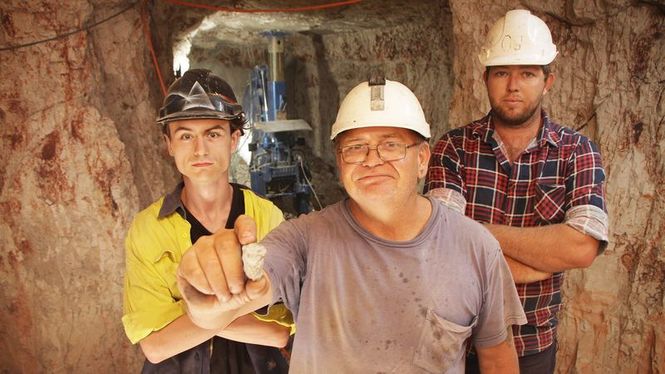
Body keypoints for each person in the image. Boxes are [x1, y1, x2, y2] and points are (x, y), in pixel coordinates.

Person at [175, 77, 528, 373]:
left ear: (422, 160)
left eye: (391, 146)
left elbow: (496, 356)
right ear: (340, 163)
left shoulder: (475, 247)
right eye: (356, 148)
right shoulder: (305, 240)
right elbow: (219, 310)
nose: (372, 160)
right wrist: (205, 292)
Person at [424, 9, 609, 374]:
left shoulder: (577, 152)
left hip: (533, 342)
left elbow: (582, 247)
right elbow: (440, 245)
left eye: (527, 73)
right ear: (486, 78)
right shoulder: (454, 148)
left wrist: (478, 234)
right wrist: (542, 260)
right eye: (502, 73)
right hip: (459, 340)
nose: (513, 86)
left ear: (547, 80)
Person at [122, 69, 294, 373]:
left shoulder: (266, 216)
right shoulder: (148, 229)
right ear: (169, 145)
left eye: (212, 133)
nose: (199, 149)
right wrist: (241, 306)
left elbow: (279, 331)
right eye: (186, 136)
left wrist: (193, 311)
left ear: (233, 139)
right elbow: (156, 347)